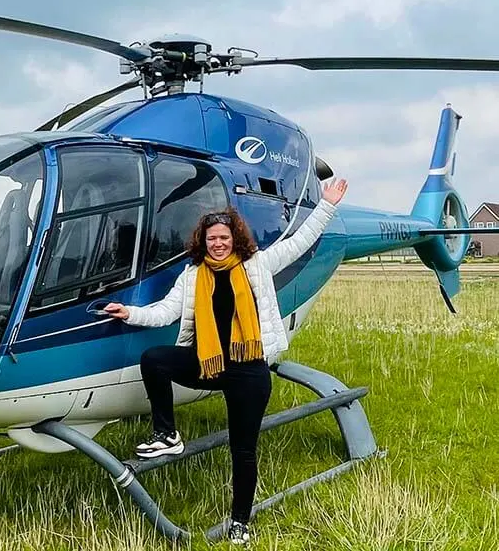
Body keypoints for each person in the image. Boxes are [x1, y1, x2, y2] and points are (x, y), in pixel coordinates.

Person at [103, 178, 348, 545]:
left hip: (248, 370)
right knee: (154, 359)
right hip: (207, 363)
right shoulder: (193, 277)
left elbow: (301, 242)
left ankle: (240, 522)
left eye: (224, 238)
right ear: (202, 241)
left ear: (235, 239)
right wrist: (130, 313)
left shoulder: (258, 265)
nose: (217, 244)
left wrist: (326, 205)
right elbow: (166, 311)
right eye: (211, 239)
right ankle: (167, 434)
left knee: (243, 449)